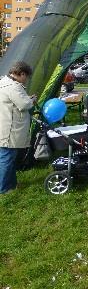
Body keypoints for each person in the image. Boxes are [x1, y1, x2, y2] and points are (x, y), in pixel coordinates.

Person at [0, 61, 37, 194]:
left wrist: (27, 98)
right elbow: (24, 104)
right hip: (9, 130)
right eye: (26, 76)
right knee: (7, 159)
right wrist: (31, 100)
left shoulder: (5, 82)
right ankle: (4, 189)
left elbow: (15, 101)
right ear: (21, 74)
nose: (26, 79)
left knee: (8, 158)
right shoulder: (13, 87)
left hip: (4, 126)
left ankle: (12, 184)